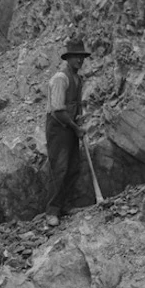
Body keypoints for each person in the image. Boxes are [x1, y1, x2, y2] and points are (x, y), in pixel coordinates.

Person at [45, 37, 90, 227]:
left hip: (70, 126)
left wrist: (79, 119)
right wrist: (76, 128)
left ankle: (64, 206)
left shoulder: (78, 79)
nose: (79, 61)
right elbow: (58, 110)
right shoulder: (60, 79)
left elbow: (75, 105)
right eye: (75, 57)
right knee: (60, 168)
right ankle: (51, 211)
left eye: (82, 57)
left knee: (73, 168)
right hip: (58, 128)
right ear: (68, 58)